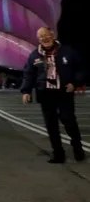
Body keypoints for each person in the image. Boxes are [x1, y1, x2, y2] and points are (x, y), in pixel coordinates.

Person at [21, 27, 85, 163]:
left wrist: (74, 83)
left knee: (68, 120)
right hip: (45, 93)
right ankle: (58, 153)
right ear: (38, 39)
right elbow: (29, 74)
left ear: (52, 35)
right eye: (41, 37)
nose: (44, 38)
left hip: (63, 92)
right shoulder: (34, 55)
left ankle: (77, 146)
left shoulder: (67, 51)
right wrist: (26, 91)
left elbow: (80, 69)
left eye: (46, 35)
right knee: (51, 124)